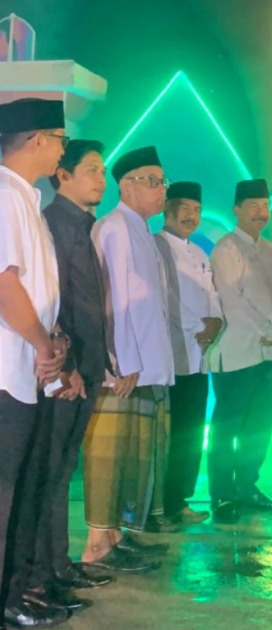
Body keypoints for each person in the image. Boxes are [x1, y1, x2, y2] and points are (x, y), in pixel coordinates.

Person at [21, 141, 117, 615]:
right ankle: (40, 575)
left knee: (62, 470)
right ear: (64, 175)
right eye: (91, 170)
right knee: (48, 473)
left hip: (88, 365)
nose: (101, 179)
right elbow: (53, 304)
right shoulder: (53, 224)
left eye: (102, 171)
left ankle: (57, 566)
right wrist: (69, 367)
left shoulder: (82, 225)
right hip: (66, 370)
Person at [81, 146, 174, 572]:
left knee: (133, 456)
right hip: (122, 369)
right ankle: (97, 544)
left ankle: (116, 535)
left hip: (143, 365)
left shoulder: (141, 230)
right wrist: (121, 360)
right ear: (126, 185)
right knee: (110, 455)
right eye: (152, 181)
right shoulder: (115, 227)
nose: (160, 190)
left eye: (162, 182)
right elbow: (112, 298)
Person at [0, 97, 69, 628]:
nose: (63, 151)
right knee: (5, 495)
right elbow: (5, 286)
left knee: (23, 491)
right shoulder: (4, 196)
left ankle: (17, 592)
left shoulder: (27, 198)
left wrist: (55, 340)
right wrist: (44, 345)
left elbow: (40, 291)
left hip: (31, 370)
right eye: (60, 140)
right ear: (38, 139)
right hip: (7, 372)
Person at [207, 179, 272, 524]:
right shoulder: (227, 249)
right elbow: (233, 300)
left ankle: (246, 486)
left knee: (259, 425)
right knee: (228, 426)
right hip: (238, 352)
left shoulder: (271, 250)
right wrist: (270, 331)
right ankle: (222, 495)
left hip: (268, 354)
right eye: (253, 206)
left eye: (265, 206)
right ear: (237, 210)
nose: (261, 212)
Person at [155, 182, 222, 525]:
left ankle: (179, 499)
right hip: (172, 354)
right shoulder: (157, 246)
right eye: (185, 208)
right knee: (171, 432)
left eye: (197, 210)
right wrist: (200, 326)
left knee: (193, 430)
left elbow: (213, 294)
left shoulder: (199, 252)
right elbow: (165, 296)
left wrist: (216, 322)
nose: (192, 216)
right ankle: (159, 503)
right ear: (168, 209)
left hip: (200, 355)